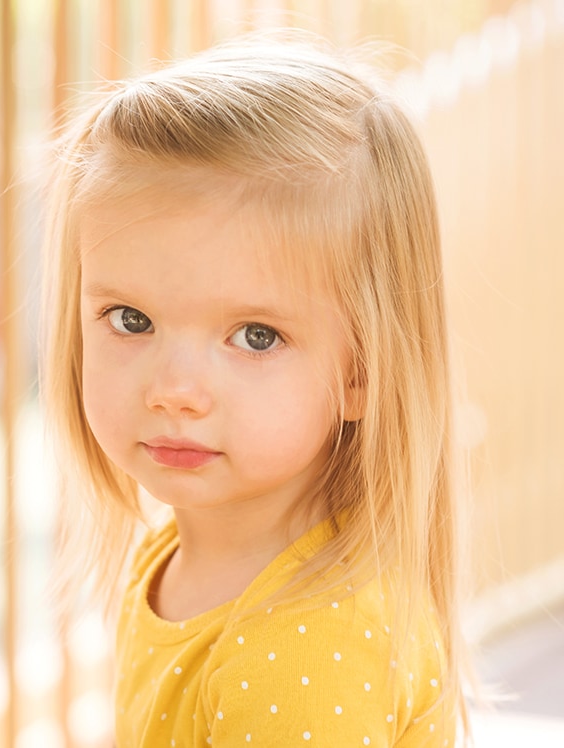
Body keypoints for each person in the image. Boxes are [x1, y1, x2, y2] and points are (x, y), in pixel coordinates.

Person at [40, 32, 469, 747]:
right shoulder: (178, 555)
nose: (175, 391)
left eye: (256, 336)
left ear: (361, 372)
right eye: (132, 319)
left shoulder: (303, 649)